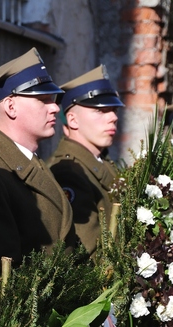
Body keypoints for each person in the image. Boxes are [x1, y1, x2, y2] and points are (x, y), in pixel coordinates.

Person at [0, 48, 76, 264]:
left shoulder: (32, 162)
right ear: (11, 106)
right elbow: (7, 269)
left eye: (53, 99)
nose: (55, 107)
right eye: (43, 99)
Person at [47, 65, 124, 254]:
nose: (113, 117)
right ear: (73, 120)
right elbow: (92, 252)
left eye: (113, 109)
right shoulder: (68, 172)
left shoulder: (102, 162)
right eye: (100, 111)